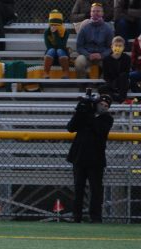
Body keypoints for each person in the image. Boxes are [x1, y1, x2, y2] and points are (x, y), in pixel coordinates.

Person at [66, 91, 114, 223]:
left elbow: (98, 130)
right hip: (79, 157)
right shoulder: (85, 114)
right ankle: (77, 217)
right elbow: (70, 127)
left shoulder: (107, 118)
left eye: (106, 105)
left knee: (96, 190)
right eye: (101, 104)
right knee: (78, 189)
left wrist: (88, 112)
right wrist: (80, 109)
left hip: (96, 160)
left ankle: (96, 217)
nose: (103, 106)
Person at [75, 3, 114, 78]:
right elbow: (79, 46)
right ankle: (84, 83)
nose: (95, 13)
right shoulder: (84, 27)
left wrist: (102, 55)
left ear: (102, 13)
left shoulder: (108, 28)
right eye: (93, 11)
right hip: (87, 55)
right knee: (79, 62)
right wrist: (88, 55)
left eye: (98, 11)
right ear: (90, 13)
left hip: (102, 56)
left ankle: (103, 84)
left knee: (110, 62)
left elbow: (110, 47)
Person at [101, 35, 132, 101]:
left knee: (123, 76)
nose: (117, 47)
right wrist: (112, 84)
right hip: (111, 83)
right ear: (112, 47)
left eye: (120, 46)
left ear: (123, 47)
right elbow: (106, 75)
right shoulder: (106, 59)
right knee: (101, 89)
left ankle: (121, 97)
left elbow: (126, 73)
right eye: (116, 45)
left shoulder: (127, 58)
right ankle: (120, 99)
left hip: (123, 82)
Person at [43, 10, 71, 79]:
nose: (54, 26)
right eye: (52, 24)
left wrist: (56, 34)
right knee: (51, 50)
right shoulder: (47, 32)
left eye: (56, 25)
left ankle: (65, 72)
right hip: (51, 56)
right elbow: (48, 46)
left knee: (59, 50)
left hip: (62, 56)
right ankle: (46, 72)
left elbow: (62, 46)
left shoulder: (65, 32)